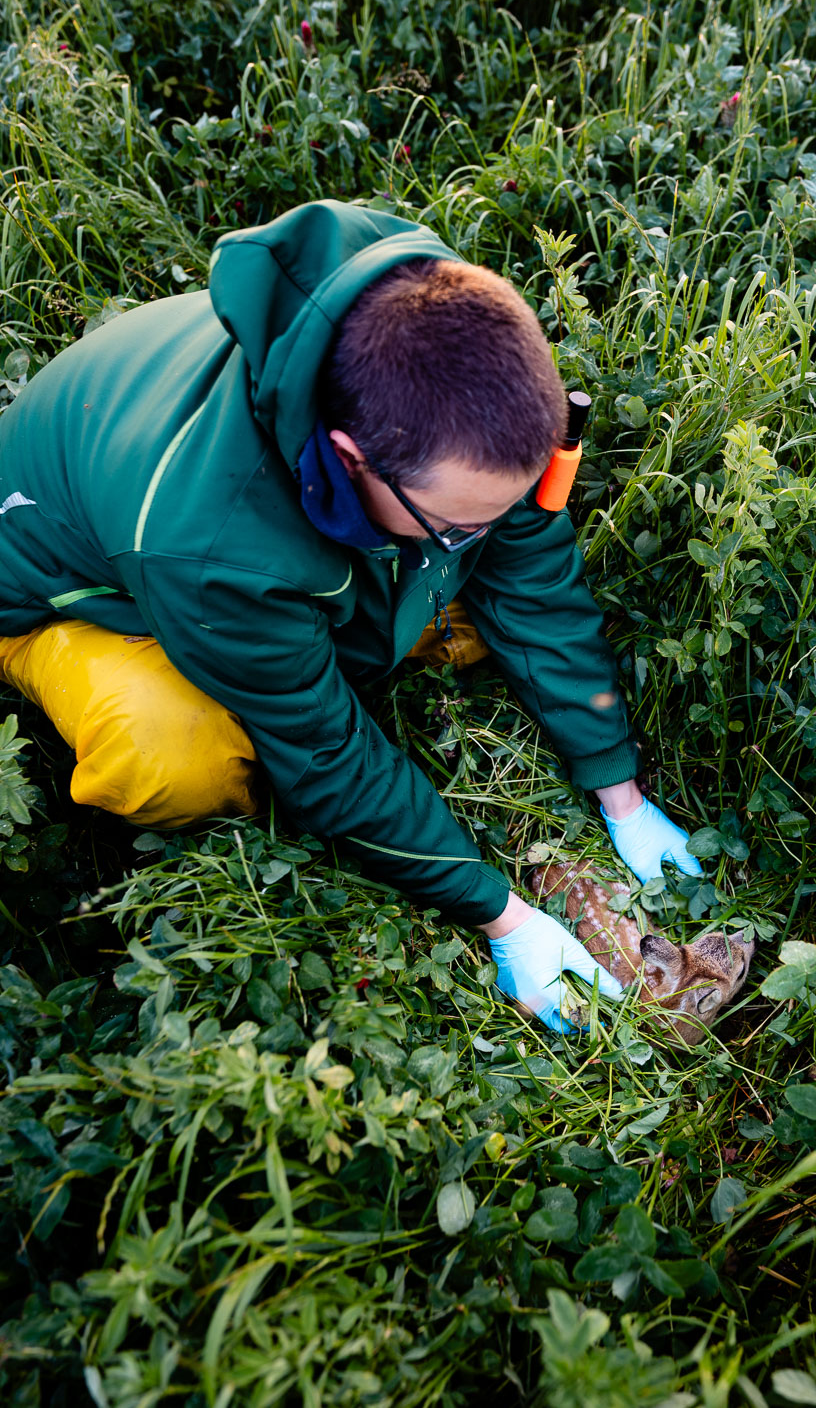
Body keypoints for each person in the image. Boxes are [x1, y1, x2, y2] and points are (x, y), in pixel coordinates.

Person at [0, 200, 700, 1030]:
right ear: (348, 458)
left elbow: (530, 565)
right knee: (173, 751)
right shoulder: (212, 546)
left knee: (473, 608)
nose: (484, 533)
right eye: (461, 523)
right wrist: (504, 917)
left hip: (232, 534)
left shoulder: (445, 365)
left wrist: (618, 790)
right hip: (76, 597)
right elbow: (328, 755)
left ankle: (368, 600)